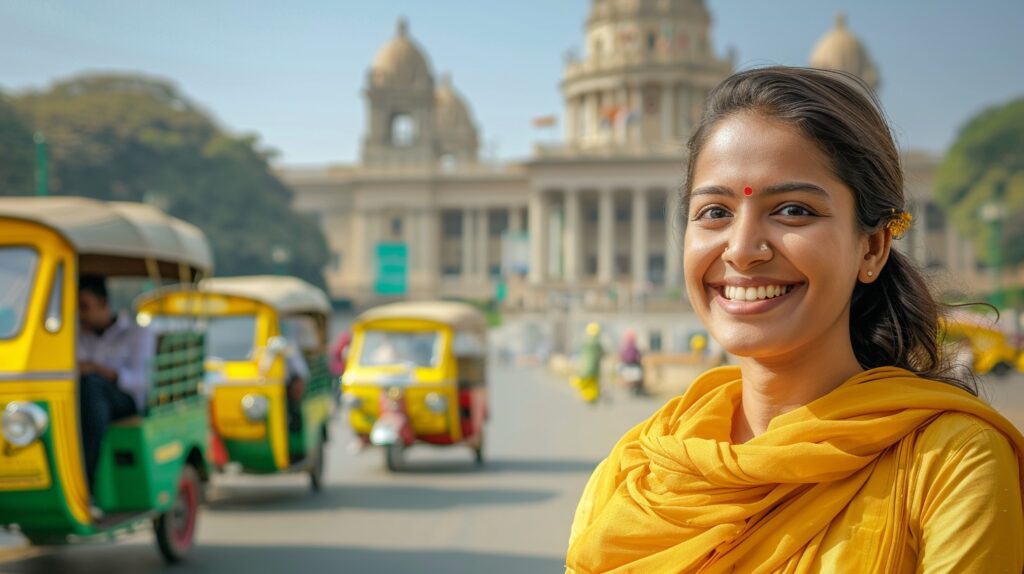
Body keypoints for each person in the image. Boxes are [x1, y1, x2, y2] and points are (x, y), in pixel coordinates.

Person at [566, 67, 1024, 573]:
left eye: (791, 210)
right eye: (715, 212)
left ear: (872, 246)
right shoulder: (636, 467)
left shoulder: (950, 463)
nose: (741, 251)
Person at [77, 275, 154, 491]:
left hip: (126, 400)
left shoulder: (137, 333)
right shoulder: (78, 334)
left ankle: (86, 483)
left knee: (92, 387)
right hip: (88, 399)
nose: (80, 315)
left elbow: (140, 382)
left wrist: (99, 370)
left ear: (103, 304)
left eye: (85, 307)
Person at [574, 322, 604, 404]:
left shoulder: (585, 342)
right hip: (594, 368)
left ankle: (586, 395)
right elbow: (602, 353)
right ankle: (592, 396)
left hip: (585, 368)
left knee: (585, 382)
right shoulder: (597, 343)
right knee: (593, 383)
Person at [617, 329, 644, 396]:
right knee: (636, 377)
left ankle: (629, 387)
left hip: (627, 365)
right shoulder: (634, 347)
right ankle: (635, 388)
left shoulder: (625, 347)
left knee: (626, 375)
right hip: (634, 365)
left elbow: (621, 356)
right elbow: (639, 356)